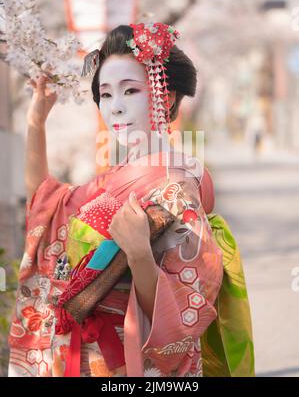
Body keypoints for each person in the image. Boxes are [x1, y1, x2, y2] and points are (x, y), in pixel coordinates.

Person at [8, 23, 254, 377]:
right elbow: (48, 205)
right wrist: (36, 120)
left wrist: (139, 254)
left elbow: (181, 317)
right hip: (86, 359)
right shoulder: (113, 179)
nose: (116, 108)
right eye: (106, 95)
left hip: (129, 362)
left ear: (165, 97)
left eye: (130, 91)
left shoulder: (177, 187)